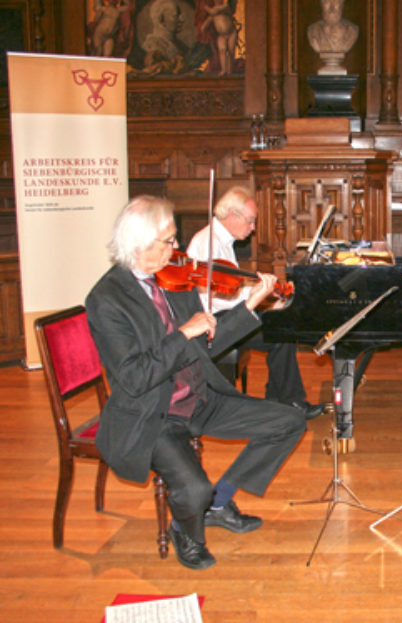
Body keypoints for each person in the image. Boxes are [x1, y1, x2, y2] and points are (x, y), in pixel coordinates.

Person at [85, 195, 308, 570]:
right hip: (156, 414)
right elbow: (134, 377)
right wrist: (183, 334)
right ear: (139, 244)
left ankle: (219, 502)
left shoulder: (174, 281)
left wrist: (250, 305)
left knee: (289, 422)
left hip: (201, 397)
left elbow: (208, 345)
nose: (177, 249)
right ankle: (187, 531)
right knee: (193, 489)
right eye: (168, 241)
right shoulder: (106, 300)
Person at [186, 186, 324, 420]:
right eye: (250, 221)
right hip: (213, 323)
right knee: (279, 334)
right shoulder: (207, 243)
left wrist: (264, 300)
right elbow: (213, 299)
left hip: (227, 314)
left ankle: (278, 399)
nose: (253, 228)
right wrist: (259, 301)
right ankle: (289, 400)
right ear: (232, 215)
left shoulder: (222, 240)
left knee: (280, 327)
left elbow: (231, 288)